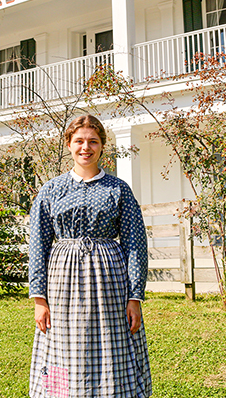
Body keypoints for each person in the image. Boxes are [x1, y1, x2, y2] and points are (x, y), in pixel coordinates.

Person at [28, 114, 152, 398]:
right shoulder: (51, 190)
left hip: (110, 282)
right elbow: (38, 244)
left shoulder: (118, 189)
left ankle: (113, 393)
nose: (86, 147)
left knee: (111, 341)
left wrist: (135, 297)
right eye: (79, 141)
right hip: (62, 284)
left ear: (102, 146)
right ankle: (57, 394)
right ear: (69, 144)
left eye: (93, 141)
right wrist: (39, 298)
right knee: (60, 343)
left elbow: (135, 243)